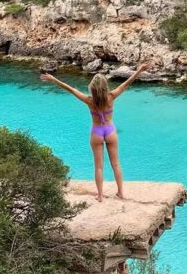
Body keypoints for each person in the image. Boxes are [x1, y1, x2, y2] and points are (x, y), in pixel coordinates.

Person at [39, 62, 150, 202]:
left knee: (99, 166)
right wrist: (139, 70)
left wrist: (54, 79)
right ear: (105, 87)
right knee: (116, 164)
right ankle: (121, 192)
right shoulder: (111, 96)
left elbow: (71, 89)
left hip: (97, 132)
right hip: (110, 131)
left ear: (92, 88)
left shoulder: (89, 100)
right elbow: (126, 83)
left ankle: (100, 195)